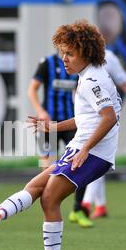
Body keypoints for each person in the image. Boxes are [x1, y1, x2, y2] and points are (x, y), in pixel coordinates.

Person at [0, 20, 122, 250]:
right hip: (82, 148)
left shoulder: (93, 79)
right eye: (62, 53)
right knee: (36, 186)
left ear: (86, 52)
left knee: (50, 197)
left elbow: (108, 118)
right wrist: (55, 127)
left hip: (93, 154)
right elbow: (90, 118)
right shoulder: (89, 75)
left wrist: (86, 149)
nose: (64, 59)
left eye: (70, 53)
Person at [74, 48, 126, 220]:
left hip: (104, 117)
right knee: (94, 158)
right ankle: (100, 205)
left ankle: (86, 203)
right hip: (84, 117)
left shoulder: (109, 58)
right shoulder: (77, 59)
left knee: (95, 157)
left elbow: (125, 82)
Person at [27, 53, 93, 228]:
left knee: (81, 163)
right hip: (46, 125)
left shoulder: (78, 65)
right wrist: (40, 111)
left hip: (71, 123)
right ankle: (49, 209)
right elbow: (32, 89)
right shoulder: (46, 63)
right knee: (47, 168)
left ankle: (78, 209)